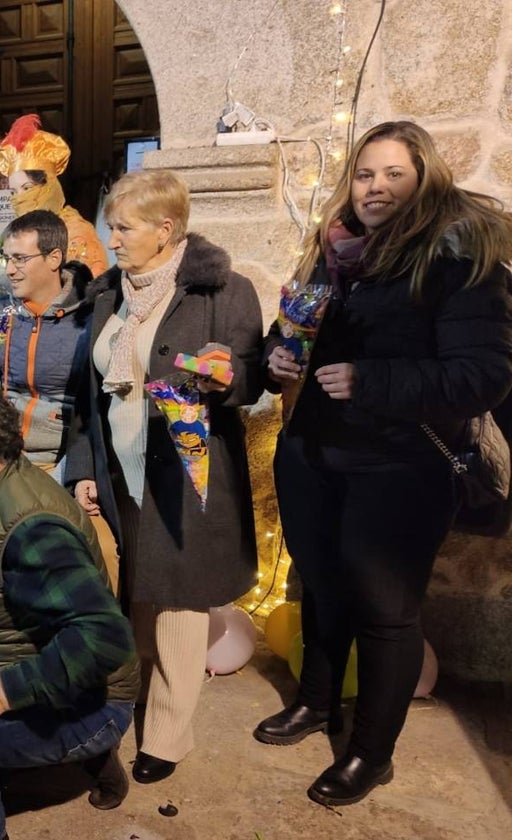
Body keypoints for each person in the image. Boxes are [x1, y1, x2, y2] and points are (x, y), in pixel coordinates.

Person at [255, 120, 512, 807]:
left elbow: (483, 376)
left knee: (387, 614)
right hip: (314, 453)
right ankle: (316, 705)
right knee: (319, 588)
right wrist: (272, 357)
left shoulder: (457, 258)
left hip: (399, 468)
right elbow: (291, 332)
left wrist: (373, 380)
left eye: (394, 174)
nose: (376, 187)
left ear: (423, 178)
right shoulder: (333, 252)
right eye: (366, 173)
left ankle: (372, 752)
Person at [65, 169, 264, 785]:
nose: (112, 238)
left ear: (165, 228)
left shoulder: (223, 290)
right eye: (111, 225)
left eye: (122, 227)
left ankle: (170, 733)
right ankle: (133, 698)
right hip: (120, 465)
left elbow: (252, 378)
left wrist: (223, 378)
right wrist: (85, 468)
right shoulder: (107, 293)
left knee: (178, 597)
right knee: (139, 592)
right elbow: (86, 394)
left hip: (186, 471)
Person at [0, 383, 140, 840]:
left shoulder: (33, 530)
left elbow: (105, 638)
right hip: (48, 675)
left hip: (97, 702)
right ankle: (98, 763)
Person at [0, 210, 93, 472]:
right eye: (7, 258)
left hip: (56, 462)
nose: (9, 270)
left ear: (54, 258)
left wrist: (75, 473)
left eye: (20, 259)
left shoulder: (87, 319)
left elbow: (92, 416)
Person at [0, 114, 108, 276]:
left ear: (48, 186)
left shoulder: (76, 233)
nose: (20, 198)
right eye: (13, 192)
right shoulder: (16, 233)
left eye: (27, 188)